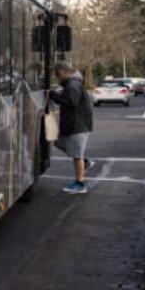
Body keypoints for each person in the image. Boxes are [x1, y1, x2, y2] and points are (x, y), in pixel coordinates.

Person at [49, 64, 94, 195]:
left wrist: (53, 95)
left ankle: (80, 183)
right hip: (75, 125)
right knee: (59, 143)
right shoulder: (72, 84)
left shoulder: (73, 85)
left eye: (57, 74)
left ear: (63, 72)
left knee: (76, 156)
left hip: (78, 126)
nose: (57, 78)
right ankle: (85, 161)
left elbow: (70, 102)